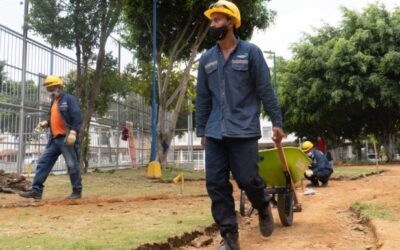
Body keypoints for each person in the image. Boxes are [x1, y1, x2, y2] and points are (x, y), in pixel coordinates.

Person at [196, 1, 285, 249]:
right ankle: (230, 236)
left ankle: (263, 204)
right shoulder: (206, 59)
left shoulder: (251, 53)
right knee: (215, 183)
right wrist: (201, 129)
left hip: (243, 129)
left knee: (247, 178)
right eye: (211, 20)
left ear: (231, 22)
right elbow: (202, 97)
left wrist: (277, 122)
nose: (212, 25)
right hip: (215, 130)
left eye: (217, 20)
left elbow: (265, 90)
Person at [20, 75, 83, 200]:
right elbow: (56, 119)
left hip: (66, 139)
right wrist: (47, 123)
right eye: (48, 88)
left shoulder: (69, 99)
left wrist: (74, 132)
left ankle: (77, 190)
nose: (49, 90)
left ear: (58, 86)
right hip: (54, 139)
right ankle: (36, 190)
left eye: (51, 87)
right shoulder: (54, 102)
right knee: (43, 162)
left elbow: (77, 117)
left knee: (72, 165)